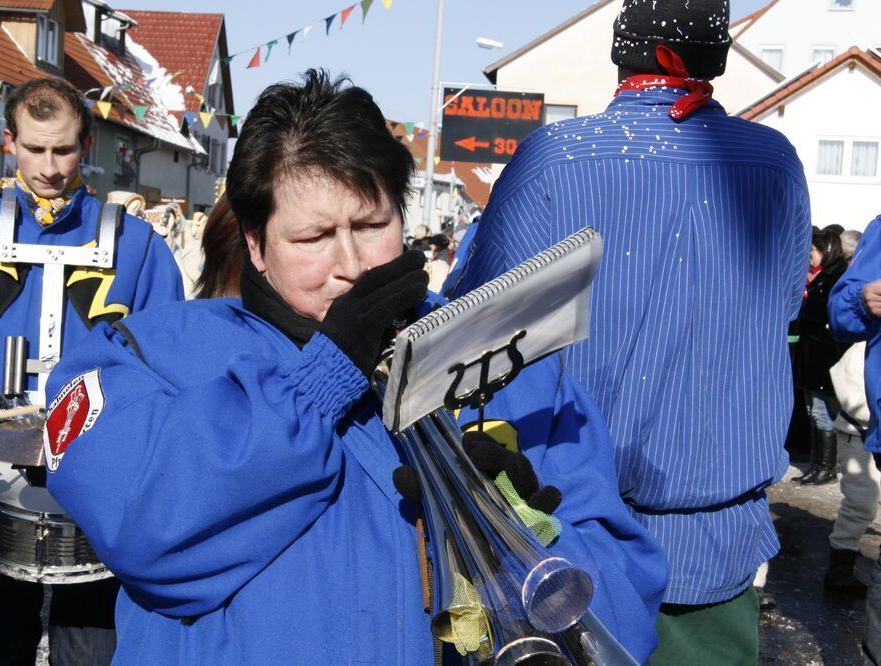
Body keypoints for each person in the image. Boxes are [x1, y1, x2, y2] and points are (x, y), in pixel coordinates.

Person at [44, 69, 667, 664]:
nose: (352, 264)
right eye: (314, 238)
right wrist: (325, 377)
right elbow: (146, 529)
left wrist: (524, 533)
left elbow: (625, 608)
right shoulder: (147, 356)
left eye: (373, 224)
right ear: (256, 246)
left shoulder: (513, 360)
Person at [451, 1, 812, 662]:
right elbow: (784, 308)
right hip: (714, 544)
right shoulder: (774, 165)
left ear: (621, 52)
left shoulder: (553, 158)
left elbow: (472, 329)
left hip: (566, 538)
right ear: (717, 59)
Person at [0, 78, 183, 664]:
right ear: (8, 141)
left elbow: (167, 357)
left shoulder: (140, 246)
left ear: (87, 145)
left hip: (99, 484)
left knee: (93, 653)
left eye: (64, 150)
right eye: (35, 148)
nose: (49, 167)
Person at [828, 213, 881, 664]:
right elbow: (841, 315)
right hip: (860, 427)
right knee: (858, 502)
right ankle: (840, 567)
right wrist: (863, 300)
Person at [794, 230, 849, 485]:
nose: (809, 257)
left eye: (813, 251)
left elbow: (829, 316)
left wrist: (808, 315)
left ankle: (826, 466)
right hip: (812, 357)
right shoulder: (820, 277)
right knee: (811, 410)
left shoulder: (834, 277)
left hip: (823, 358)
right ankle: (817, 464)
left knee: (821, 412)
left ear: (825, 250)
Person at [824, 341, 874, 596]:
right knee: (860, 505)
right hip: (859, 438)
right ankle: (839, 572)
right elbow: (851, 393)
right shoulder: (861, 348)